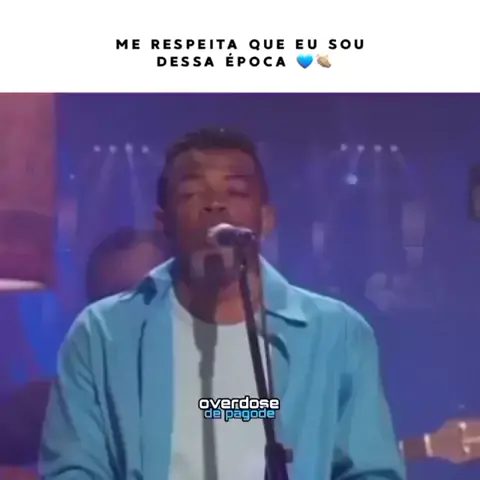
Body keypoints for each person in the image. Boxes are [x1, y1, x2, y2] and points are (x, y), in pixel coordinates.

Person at [39, 127, 405, 479]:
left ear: (266, 219)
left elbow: (371, 471)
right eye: (191, 193)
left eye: (236, 191)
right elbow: (73, 468)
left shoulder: (336, 333)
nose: (215, 204)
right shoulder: (103, 334)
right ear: (163, 222)